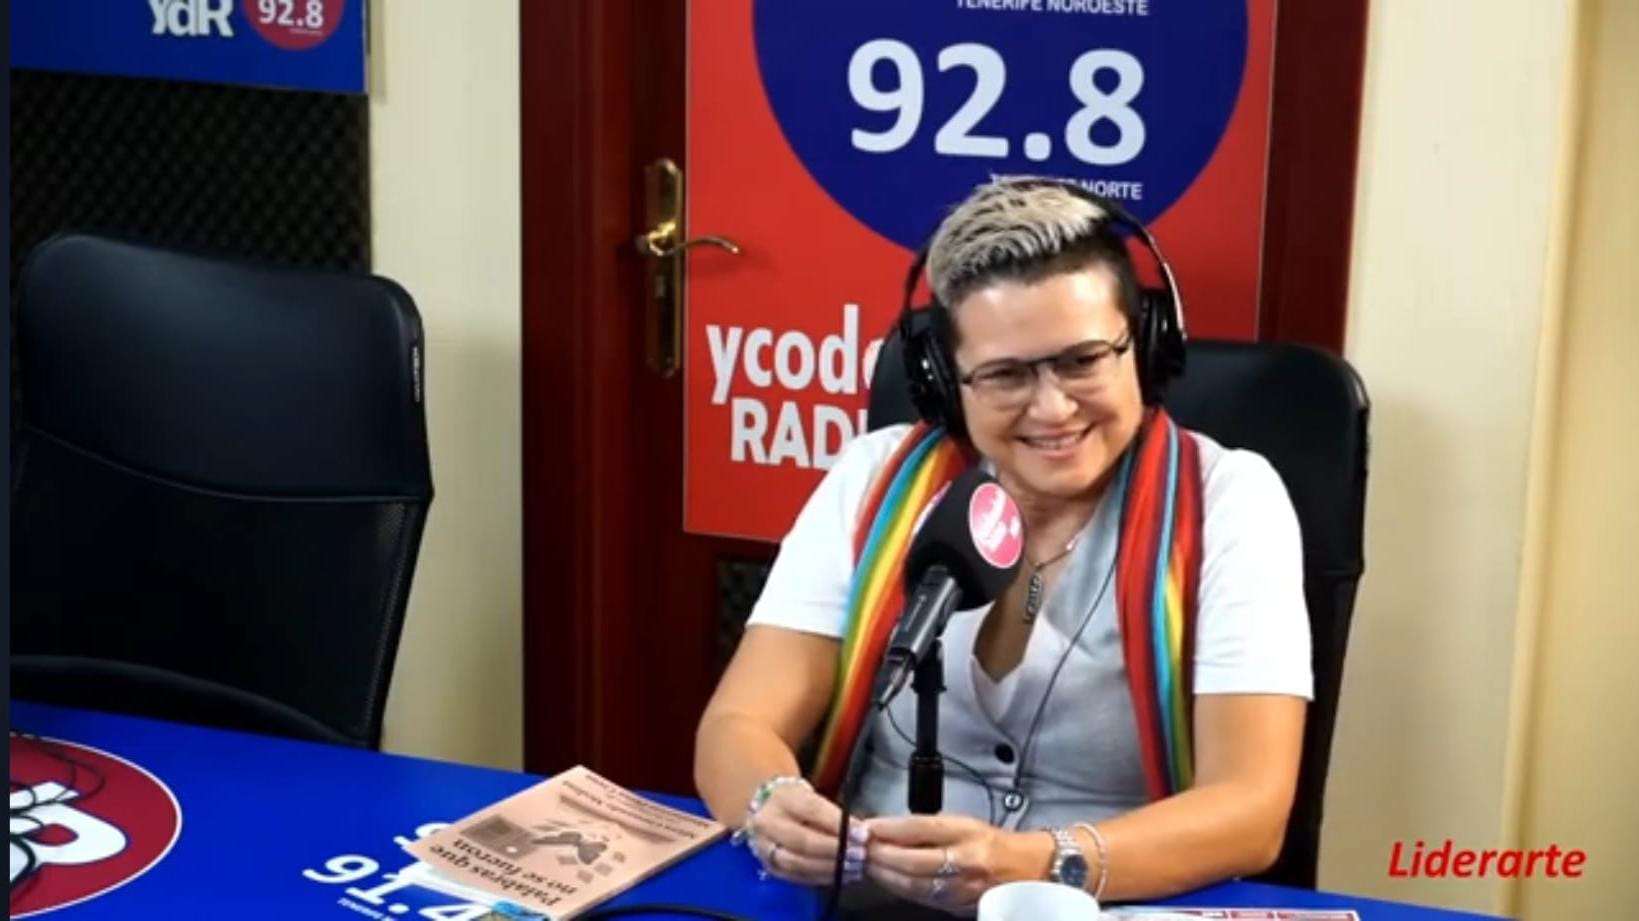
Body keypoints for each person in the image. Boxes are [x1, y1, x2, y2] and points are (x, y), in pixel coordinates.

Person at [694, 176, 1311, 915]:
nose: (1052, 407)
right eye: (1005, 375)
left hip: (1103, 906)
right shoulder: (875, 479)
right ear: (943, 382)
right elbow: (736, 726)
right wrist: (769, 802)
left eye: (1083, 360)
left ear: (1143, 348)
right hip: (870, 901)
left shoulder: (1229, 501)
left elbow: (1250, 811)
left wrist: (1035, 863)